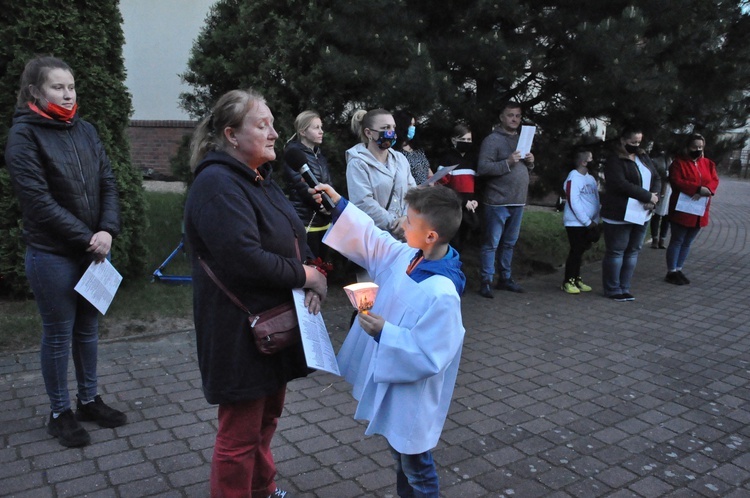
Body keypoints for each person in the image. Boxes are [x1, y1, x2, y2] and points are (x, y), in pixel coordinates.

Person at [184, 88, 328, 498]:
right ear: (231, 134)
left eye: (272, 124)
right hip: (239, 331)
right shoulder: (216, 185)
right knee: (239, 436)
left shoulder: (259, 179)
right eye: (261, 125)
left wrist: (315, 268)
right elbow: (245, 258)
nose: (273, 133)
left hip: (271, 325)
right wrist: (305, 276)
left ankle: (263, 489)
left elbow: (293, 236)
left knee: (265, 422)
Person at [312, 183, 465, 498]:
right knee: (401, 458)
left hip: (414, 398)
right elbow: (374, 240)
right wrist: (340, 205)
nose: (401, 224)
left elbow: (433, 354)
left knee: (416, 466)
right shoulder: (412, 255)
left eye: (408, 221)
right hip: (397, 386)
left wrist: (386, 333)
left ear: (431, 236)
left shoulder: (442, 292)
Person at [4, 56, 127, 448]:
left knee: (88, 330)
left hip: (93, 251)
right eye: (58, 87)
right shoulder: (24, 135)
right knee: (59, 335)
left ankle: (88, 400)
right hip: (52, 254)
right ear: (35, 92)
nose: (67, 93)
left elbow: (108, 179)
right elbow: (37, 201)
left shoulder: (85, 129)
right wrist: (88, 237)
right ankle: (60, 413)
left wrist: (106, 229)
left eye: (71, 86)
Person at [476, 101, 535, 297]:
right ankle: (486, 280)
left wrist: (531, 163)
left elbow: (523, 168)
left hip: (518, 200)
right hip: (497, 201)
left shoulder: (522, 139)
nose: (514, 119)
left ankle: (505, 278)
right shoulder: (492, 140)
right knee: (491, 243)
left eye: (517, 116)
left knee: (509, 243)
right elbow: (483, 168)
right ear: (501, 117)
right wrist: (508, 162)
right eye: (510, 115)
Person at [599, 127, 661, 301]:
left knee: (633, 250)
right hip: (619, 211)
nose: (636, 145)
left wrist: (653, 197)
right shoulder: (614, 159)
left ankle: (625, 287)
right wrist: (646, 195)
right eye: (633, 142)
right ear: (623, 140)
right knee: (616, 251)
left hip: (642, 212)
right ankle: (612, 288)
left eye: (639, 142)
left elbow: (656, 177)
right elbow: (620, 183)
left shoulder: (643, 156)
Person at [346, 108, 416, 235]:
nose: (391, 132)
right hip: (376, 237)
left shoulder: (400, 159)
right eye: (385, 128)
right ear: (368, 133)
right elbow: (363, 203)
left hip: (404, 235)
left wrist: (407, 219)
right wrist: (395, 225)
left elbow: (413, 193)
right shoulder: (357, 163)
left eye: (393, 127)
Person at [664, 133, 719, 285]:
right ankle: (671, 271)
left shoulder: (708, 163)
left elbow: (714, 180)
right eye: (694, 147)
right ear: (687, 147)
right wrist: (696, 189)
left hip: (700, 210)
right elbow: (676, 181)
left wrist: (708, 189)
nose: (697, 150)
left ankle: (679, 268)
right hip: (682, 209)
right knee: (677, 240)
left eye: (700, 147)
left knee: (687, 242)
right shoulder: (678, 163)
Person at [282, 110, 333, 259]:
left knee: (325, 269)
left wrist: (330, 205)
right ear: (303, 131)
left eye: (321, 127)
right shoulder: (293, 155)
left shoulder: (319, 155)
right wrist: (324, 205)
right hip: (305, 221)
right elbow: (302, 186)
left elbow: (328, 183)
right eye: (316, 127)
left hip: (323, 221)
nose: (321, 131)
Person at [561, 150, 600, 294]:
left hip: (589, 222)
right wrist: (586, 220)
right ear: (583, 162)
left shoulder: (590, 179)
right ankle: (568, 281)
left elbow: (595, 200)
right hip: (575, 223)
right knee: (576, 250)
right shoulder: (574, 177)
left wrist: (594, 219)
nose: (593, 161)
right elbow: (573, 201)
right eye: (591, 158)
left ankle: (577, 278)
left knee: (581, 251)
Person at [437, 123, 479, 252]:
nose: (466, 142)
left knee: (463, 242)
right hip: (453, 207)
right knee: (452, 242)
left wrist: (474, 200)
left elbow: (476, 183)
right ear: (454, 140)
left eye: (469, 140)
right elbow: (442, 186)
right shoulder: (447, 159)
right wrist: (463, 201)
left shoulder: (472, 160)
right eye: (463, 139)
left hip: (469, 207)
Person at [393, 109, 433, 185]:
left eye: (414, 125)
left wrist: (432, 180)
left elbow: (427, 169)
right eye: (410, 125)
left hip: (426, 192)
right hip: (411, 193)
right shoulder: (394, 152)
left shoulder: (417, 147)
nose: (412, 128)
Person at [649, 146, 672, 249]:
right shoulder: (658, 160)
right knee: (657, 215)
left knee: (667, 216)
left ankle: (662, 238)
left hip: (670, 190)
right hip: (661, 188)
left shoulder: (674, 160)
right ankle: (654, 238)